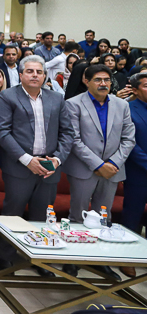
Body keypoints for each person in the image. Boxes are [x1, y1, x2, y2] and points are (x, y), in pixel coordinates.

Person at [0, 55, 74, 274]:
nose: (35, 75)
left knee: (42, 216)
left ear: (45, 75)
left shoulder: (57, 98)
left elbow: (68, 133)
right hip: (20, 166)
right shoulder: (8, 96)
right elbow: (1, 132)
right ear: (20, 75)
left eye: (39, 72)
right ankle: (7, 257)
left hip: (49, 167)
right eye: (30, 71)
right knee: (13, 214)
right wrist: (27, 160)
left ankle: (38, 259)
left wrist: (57, 159)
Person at [62, 64, 135, 278]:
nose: (103, 84)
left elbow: (129, 139)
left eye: (107, 80)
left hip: (113, 169)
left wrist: (112, 163)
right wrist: (98, 165)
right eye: (98, 80)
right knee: (78, 215)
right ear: (86, 81)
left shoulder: (122, 105)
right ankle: (72, 259)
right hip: (84, 168)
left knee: (104, 216)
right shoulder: (73, 104)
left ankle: (99, 260)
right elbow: (74, 140)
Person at [121, 72, 147, 277]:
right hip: (138, 172)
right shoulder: (128, 109)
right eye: (146, 85)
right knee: (133, 215)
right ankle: (127, 258)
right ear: (135, 90)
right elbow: (130, 143)